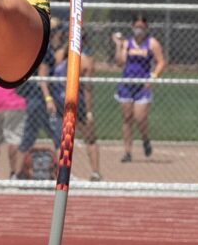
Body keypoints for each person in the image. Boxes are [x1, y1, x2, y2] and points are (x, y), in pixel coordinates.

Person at [113, 15, 165, 162]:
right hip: (127, 84)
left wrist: (153, 77)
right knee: (127, 119)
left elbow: (161, 62)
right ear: (132, 27)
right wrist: (118, 45)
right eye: (136, 27)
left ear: (146, 28)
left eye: (142, 27)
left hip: (142, 86)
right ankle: (127, 152)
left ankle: (145, 138)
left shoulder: (151, 43)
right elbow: (119, 62)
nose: (139, 30)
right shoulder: (127, 43)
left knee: (139, 117)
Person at [13, 22, 61, 180]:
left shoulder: (35, 46)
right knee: (58, 137)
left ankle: (17, 174)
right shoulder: (45, 50)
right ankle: (64, 174)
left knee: (29, 136)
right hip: (40, 99)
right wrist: (48, 99)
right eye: (57, 32)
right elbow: (42, 79)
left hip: (34, 98)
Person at [52, 29, 102, 181]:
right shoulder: (61, 56)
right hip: (62, 102)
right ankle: (62, 172)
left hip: (74, 103)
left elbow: (87, 88)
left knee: (89, 137)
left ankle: (95, 172)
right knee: (61, 138)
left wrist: (88, 111)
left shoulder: (85, 60)